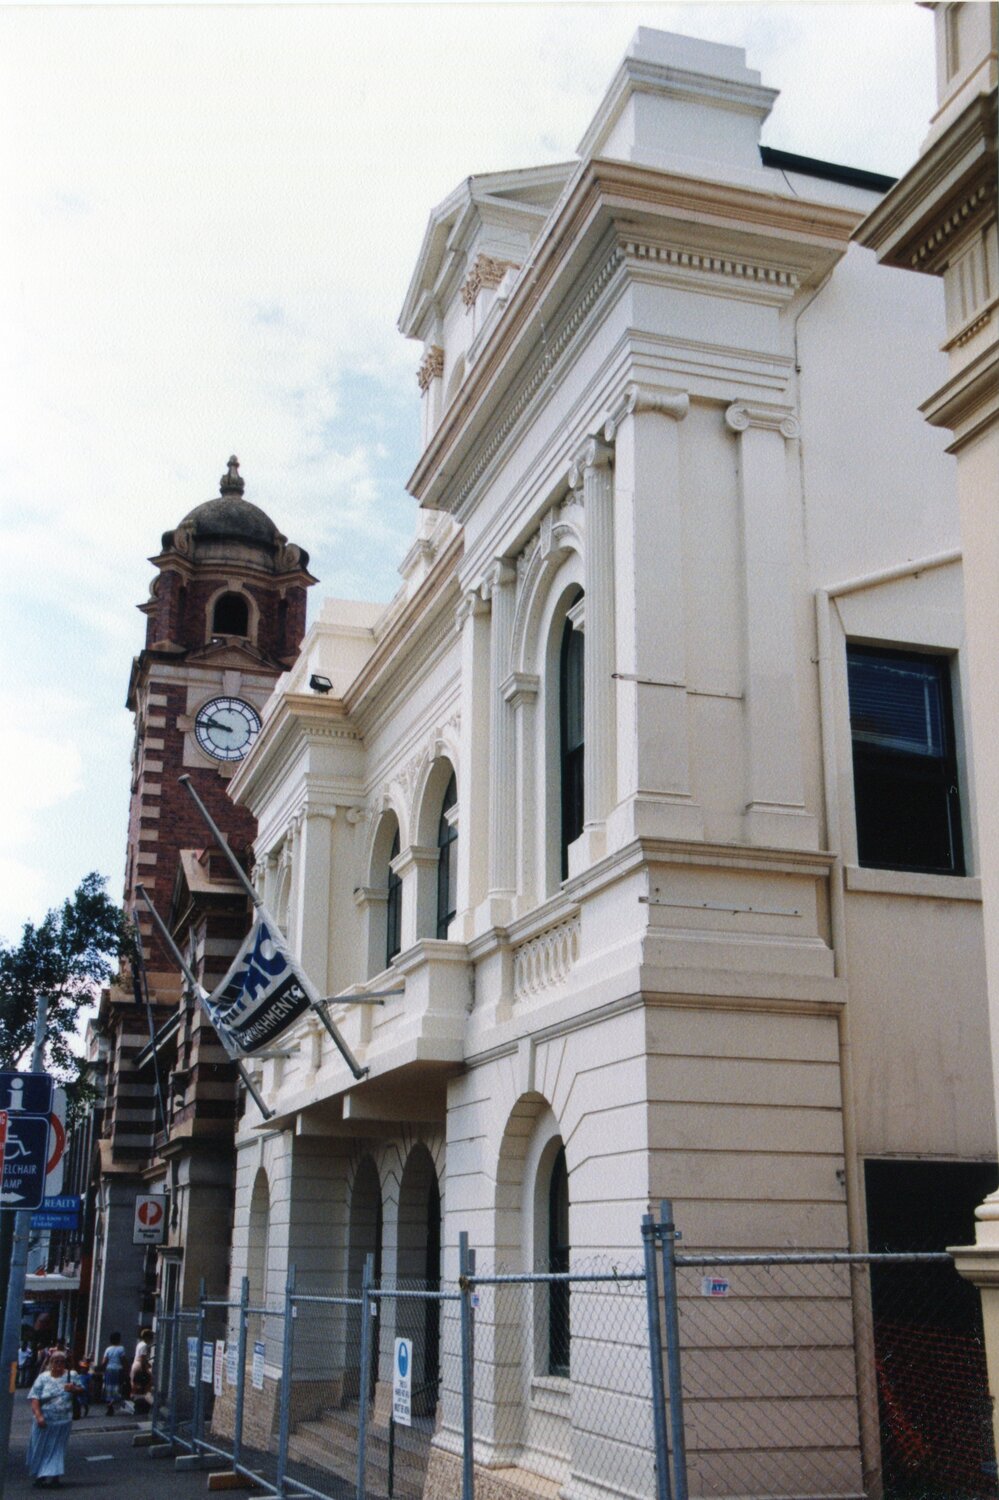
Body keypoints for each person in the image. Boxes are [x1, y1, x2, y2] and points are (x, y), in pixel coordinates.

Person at [26, 1348, 84, 1489]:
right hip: (44, 1420)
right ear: (51, 1362)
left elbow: (82, 1389)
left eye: (62, 1361)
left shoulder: (72, 1375)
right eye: (56, 1361)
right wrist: (39, 1416)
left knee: (57, 1449)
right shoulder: (43, 1377)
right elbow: (34, 1397)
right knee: (41, 1448)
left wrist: (74, 1389)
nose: (59, 1364)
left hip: (63, 1419)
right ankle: (41, 1476)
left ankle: (55, 1477)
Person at [100, 1332, 126, 1415]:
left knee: (109, 1387)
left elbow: (104, 1361)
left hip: (109, 1370)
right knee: (118, 1386)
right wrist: (126, 1368)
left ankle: (109, 1402)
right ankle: (112, 1402)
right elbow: (123, 1360)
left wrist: (101, 1368)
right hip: (118, 1370)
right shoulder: (121, 1349)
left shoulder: (108, 1349)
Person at [130, 1327, 153, 1412]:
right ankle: (142, 1406)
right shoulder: (144, 1345)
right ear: (147, 1337)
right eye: (151, 1337)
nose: (152, 1340)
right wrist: (146, 1370)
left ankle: (136, 1404)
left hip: (135, 1364)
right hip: (140, 1366)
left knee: (135, 1385)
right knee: (145, 1385)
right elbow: (143, 1358)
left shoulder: (140, 1344)